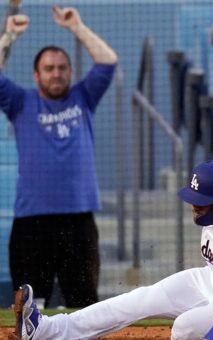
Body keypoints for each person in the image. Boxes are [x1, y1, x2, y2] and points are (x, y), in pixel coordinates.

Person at [13, 159, 213, 340]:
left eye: (202, 200)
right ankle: (45, 331)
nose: (194, 204)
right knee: (140, 299)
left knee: (185, 328)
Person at [0, 7, 118, 308]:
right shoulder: (20, 102)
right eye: (49, 68)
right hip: (31, 222)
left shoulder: (84, 97)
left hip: (78, 221)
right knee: (30, 307)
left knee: (83, 306)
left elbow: (107, 60)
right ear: (36, 75)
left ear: (70, 72)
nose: (56, 73)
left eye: (62, 67)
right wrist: (8, 36)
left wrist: (77, 26)